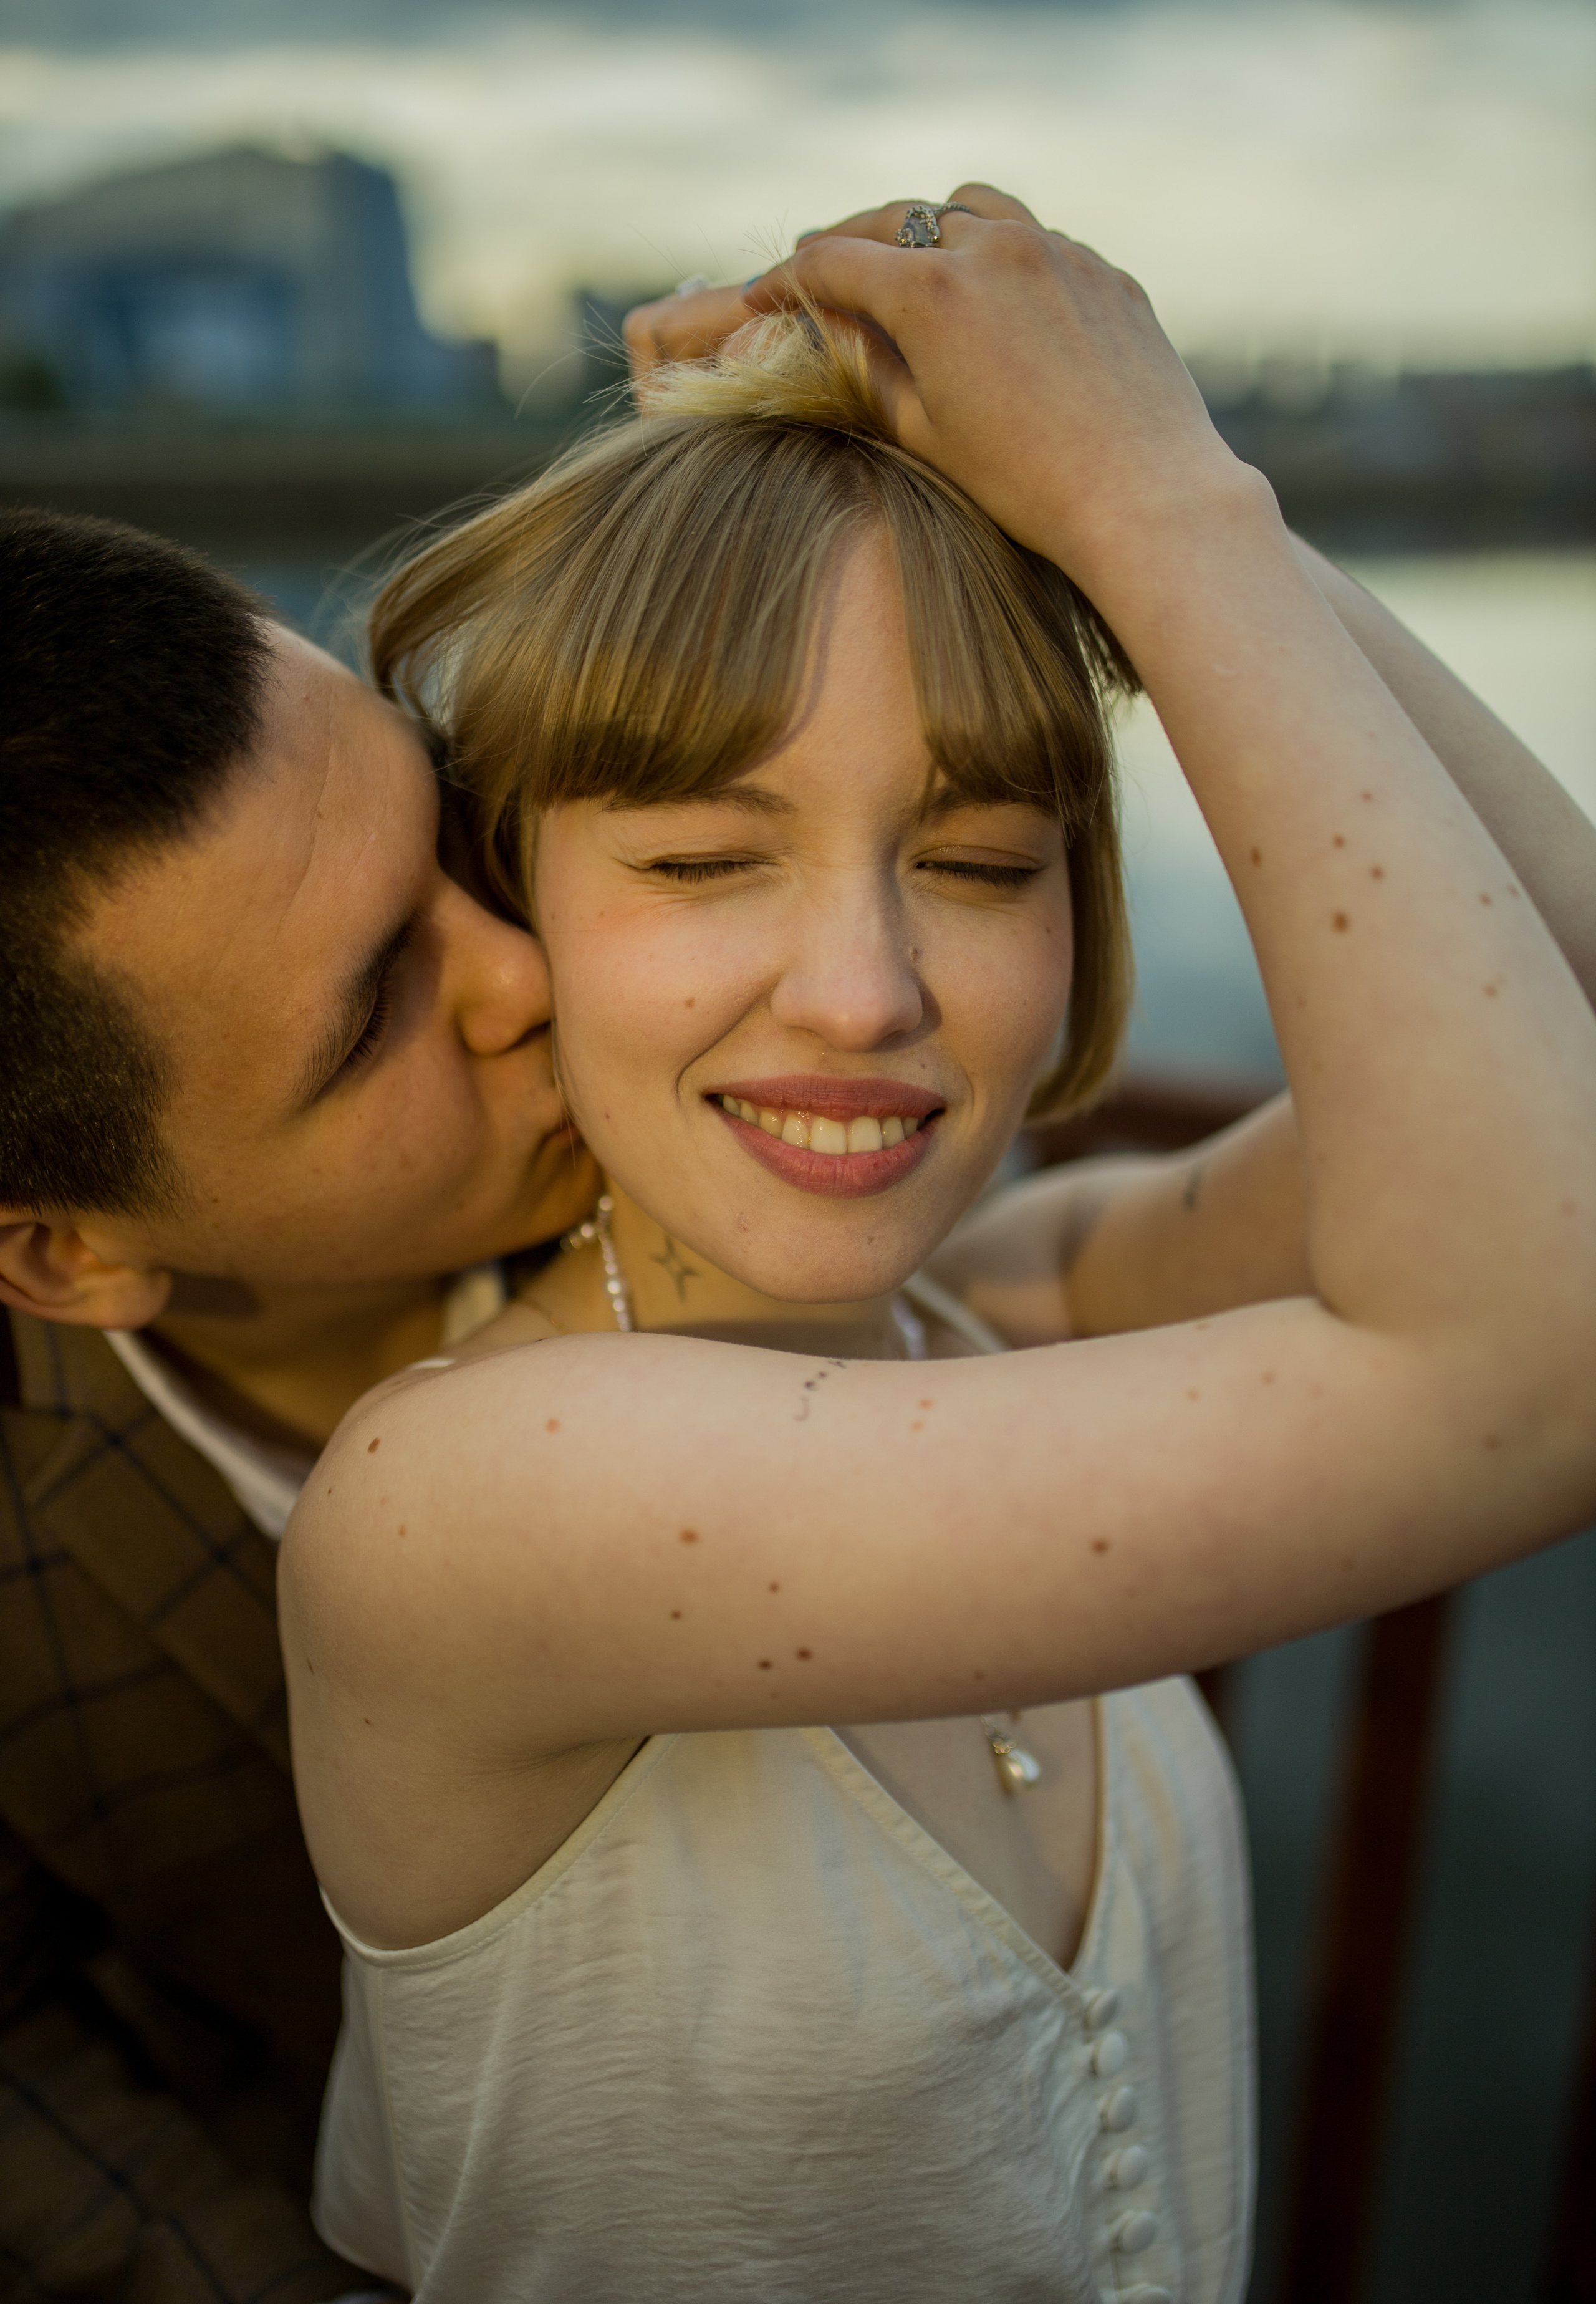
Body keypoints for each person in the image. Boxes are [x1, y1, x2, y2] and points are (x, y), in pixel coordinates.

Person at [283, 193, 1596, 2303]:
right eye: (708, 857)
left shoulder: (999, 1308)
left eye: (982, 862)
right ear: (512, 906)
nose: (868, 991)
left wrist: (1165, 510)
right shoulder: (468, 1507)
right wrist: (1151, 500)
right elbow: (1553, 1351)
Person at [0, 508, 597, 2300]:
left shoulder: (730, 1077)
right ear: (70, 1255)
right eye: (371, 1019)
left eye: (447, 829)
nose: (532, 977)